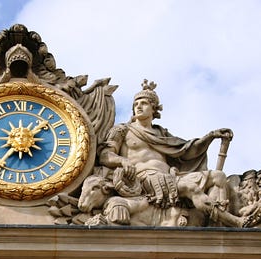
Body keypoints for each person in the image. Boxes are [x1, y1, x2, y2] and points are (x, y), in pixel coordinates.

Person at [99, 80, 239, 226]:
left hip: (170, 177)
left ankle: (216, 224)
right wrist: (122, 161)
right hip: (144, 180)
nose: (138, 107)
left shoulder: (161, 133)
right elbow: (105, 155)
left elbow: (186, 150)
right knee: (190, 187)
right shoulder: (122, 130)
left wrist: (210, 136)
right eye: (136, 104)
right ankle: (234, 221)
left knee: (218, 176)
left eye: (144, 103)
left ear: (154, 109)